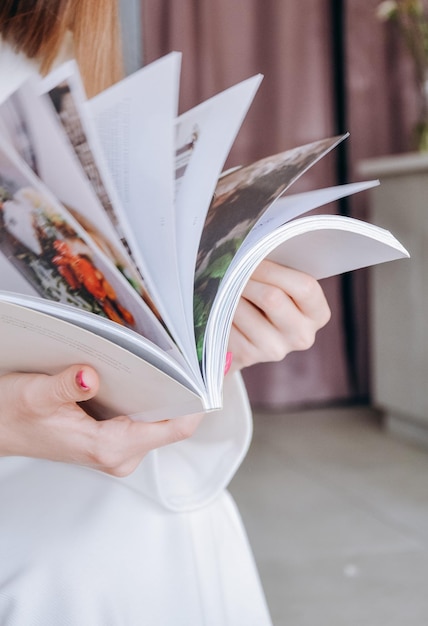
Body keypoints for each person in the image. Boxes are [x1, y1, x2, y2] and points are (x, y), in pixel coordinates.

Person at [0, 2, 331, 624]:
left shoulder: (38, 58)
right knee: (93, 549)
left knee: (163, 523)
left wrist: (208, 332)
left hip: (74, 455)